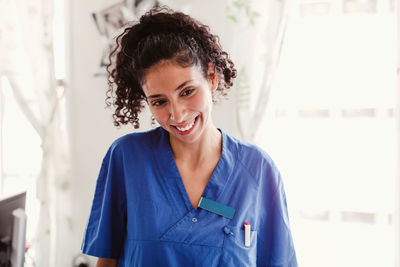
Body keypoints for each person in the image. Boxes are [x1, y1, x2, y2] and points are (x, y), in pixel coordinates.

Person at [81, 6, 297, 267]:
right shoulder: (127, 159)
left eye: (187, 91)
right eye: (159, 101)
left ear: (212, 78)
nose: (178, 114)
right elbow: (107, 260)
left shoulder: (258, 170)